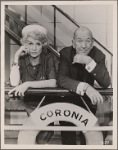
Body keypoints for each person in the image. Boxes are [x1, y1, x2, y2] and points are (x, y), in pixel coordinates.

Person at [57, 26, 111, 145]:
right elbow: (61, 79)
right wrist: (85, 87)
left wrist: (89, 62)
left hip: (88, 103)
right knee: (68, 138)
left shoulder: (98, 55)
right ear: (73, 43)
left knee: (87, 139)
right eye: (79, 40)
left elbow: (106, 82)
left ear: (92, 43)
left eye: (87, 41)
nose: (83, 45)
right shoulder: (65, 53)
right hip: (67, 102)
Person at [8, 24, 57, 144]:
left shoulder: (48, 58)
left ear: (43, 45)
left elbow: (53, 82)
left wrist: (27, 84)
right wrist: (16, 56)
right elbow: (14, 83)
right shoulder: (22, 60)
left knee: (43, 138)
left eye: (38, 44)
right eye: (30, 43)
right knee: (30, 137)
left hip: (47, 105)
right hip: (30, 105)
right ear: (24, 45)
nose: (34, 48)